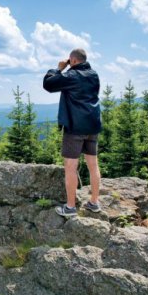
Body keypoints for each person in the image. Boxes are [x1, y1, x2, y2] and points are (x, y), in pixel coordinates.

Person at [43, 48, 102, 217]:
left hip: (75, 127)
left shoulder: (71, 75)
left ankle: (70, 207)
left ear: (73, 61)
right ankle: (94, 203)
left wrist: (59, 68)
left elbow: (48, 84)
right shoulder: (94, 74)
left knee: (70, 166)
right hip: (92, 125)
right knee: (93, 164)